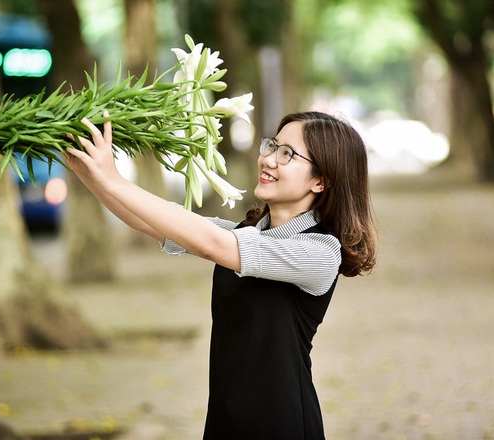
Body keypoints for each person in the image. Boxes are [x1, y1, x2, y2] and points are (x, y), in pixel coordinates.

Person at [66, 110, 378, 440]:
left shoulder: (319, 253)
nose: (268, 160)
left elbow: (214, 243)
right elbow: (143, 220)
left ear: (320, 180)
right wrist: (89, 174)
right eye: (272, 146)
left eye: (287, 154)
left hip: (282, 424)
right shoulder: (243, 233)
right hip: (224, 420)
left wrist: (114, 180)